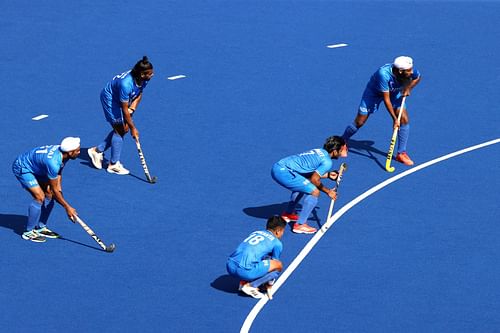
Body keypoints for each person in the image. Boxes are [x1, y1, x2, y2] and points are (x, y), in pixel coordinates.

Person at [341, 56, 421, 165]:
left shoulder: (409, 71)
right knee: (360, 122)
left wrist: (408, 88)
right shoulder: (383, 74)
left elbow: (417, 77)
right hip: (374, 93)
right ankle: (342, 141)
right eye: (409, 71)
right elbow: (386, 99)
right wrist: (394, 119)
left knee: (404, 119)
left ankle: (401, 153)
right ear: (400, 71)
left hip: (394, 92)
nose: (412, 72)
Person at [88, 56, 154, 175]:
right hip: (110, 100)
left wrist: (132, 109)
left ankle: (97, 151)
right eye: (150, 73)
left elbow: (139, 94)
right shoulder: (126, 84)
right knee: (121, 129)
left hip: (123, 100)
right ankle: (113, 164)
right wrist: (133, 128)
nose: (152, 75)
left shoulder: (144, 79)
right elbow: (124, 109)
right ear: (142, 74)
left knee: (123, 128)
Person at [271, 136, 347, 234]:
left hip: (279, 167)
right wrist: (328, 191)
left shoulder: (319, 151)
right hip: (284, 172)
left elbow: (307, 172)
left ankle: (288, 214)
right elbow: (314, 180)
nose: (341, 154)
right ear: (335, 151)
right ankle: (300, 225)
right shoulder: (328, 162)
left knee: (303, 185)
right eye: (340, 151)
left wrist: (327, 175)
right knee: (314, 191)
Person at [12, 137, 81, 242]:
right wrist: (67, 207)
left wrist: (59, 191)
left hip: (39, 167)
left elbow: (58, 174)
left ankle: (41, 228)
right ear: (70, 152)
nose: (79, 152)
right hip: (23, 168)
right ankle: (28, 232)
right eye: (77, 151)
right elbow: (54, 186)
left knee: (50, 194)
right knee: (39, 197)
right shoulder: (53, 162)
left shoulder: (63, 154)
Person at [226, 216, 287, 299]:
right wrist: (269, 285)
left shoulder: (255, 232)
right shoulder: (277, 243)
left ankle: (243, 282)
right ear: (278, 231)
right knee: (278, 266)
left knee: (260, 258)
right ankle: (251, 286)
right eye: (283, 231)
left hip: (230, 265)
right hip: (245, 272)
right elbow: (275, 264)